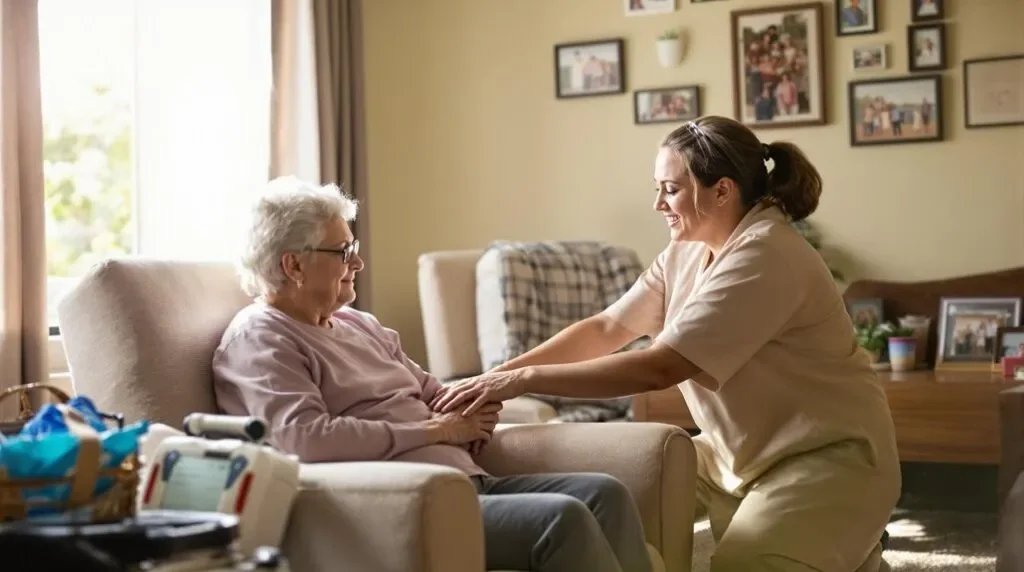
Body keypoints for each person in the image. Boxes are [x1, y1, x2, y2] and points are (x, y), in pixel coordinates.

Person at [432, 116, 901, 571]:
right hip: (730, 455)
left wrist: (523, 380)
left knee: (745, 565)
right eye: (657, 188)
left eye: (671, 189)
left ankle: (854, 548)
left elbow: (661, 367)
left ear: (722, 191)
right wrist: (496, 377)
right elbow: (608, 328)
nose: (658, 203)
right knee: (608, 509)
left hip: (825, 456)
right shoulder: (686, 250)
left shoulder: (766, 252)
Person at [212, 177, 652, 572]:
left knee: (605, 494)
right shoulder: (261, 338)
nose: (358, 263)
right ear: (293, 265)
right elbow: (303, 438)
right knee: (561, 520)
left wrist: (475, 407)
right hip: (404, 504)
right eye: (343, 252)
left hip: (463, 483)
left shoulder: (359, 325)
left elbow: (434, 393)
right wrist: (436, 431)